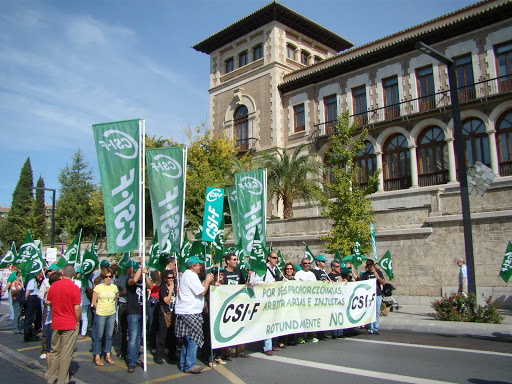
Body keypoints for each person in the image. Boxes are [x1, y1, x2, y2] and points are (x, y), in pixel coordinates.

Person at [174, 256, 214, 374]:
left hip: (186, 310)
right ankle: (189, 365)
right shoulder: (191, 276)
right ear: (193, 266)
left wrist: (205, 282)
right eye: (199, 265)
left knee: (187, 339)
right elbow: (202, 291)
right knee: (194, 339)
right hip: (190, 311)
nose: (201, 267)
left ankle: (184, 364)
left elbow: (198, 288)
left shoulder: (188, 275)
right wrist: (207, 280)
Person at [46, 265, 81, 384]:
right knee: (66, 354)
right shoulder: (75, 288)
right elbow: (77, 308)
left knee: (55, 351)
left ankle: (51, 378)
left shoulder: (54, 285)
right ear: (72, 274)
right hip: (69, 323)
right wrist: (77, 320)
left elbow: (48, 301)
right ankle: (62, 380)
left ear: (62, 273)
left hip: (56, 322)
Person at [251, 251, 282, 356]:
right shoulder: (263, 269)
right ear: (268, 258)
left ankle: (270, 343)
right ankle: (267, 346)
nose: (276, 260)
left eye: (277, 258)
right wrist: (268, 284)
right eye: (274, 257)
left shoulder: (276, 269)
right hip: (264, 299)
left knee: (272, 321)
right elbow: (256, 281)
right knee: (267, 322)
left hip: (273, 299)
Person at [221, 253, 250, 360]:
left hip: (238, 305)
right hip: (226, 305)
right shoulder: (222, 273)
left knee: (240, 328)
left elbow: (243, 284)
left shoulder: (238, 272)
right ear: (227, 261)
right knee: (225, 330)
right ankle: (226, 352)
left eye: (237, 259)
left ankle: (240, 351)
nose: (236, 261)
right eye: (234, 259)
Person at [125, 259, 150, 373]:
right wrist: (140, 267)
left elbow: (151, 285)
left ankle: (135, 357)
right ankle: (131, 361)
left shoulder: (143, 281)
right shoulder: (129, 280)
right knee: (133, 338)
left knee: (139, 337)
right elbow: (134, 280)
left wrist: (146, 275)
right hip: (133, 312)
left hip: (142, 312)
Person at [91, 266, 118, 366]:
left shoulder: (114, 287)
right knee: (99, 336)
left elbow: (115, 299)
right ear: (103, 277)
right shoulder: (98, 287)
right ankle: (97, 355)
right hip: (101, 313)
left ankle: (108, 355)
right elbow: (94, 302)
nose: (108, 278)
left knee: (109, 335)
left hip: (111, 313)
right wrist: (99, 308)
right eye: (106, 277)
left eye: (110, 276)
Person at [155, 269, 177, 364]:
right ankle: (159, 355)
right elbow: (167, 301)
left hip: (173, 313)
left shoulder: (174, 287)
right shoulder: (163, 289)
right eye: (169, 278)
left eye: (172, 278)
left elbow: (175, 300)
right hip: (164, 314)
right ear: (165, 279)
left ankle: (172, 354)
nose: (171, 280)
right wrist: (170, 290)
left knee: (172, 335)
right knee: (162, 335)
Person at [39, 264, 61, 359]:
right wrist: (46, 292)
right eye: (48, 271)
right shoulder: (45, 282)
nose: (49, 273)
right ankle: (45, 349)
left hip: (57, 312)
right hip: (47, 309)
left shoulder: (59, 283)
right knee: (46, 330)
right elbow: (40, 295)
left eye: (51, 271)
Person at [358, 259, 385, 335]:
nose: (369, 266)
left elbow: (383, 283)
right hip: (368, 296)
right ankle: (370, 328)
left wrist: (377, 277)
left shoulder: (378, 273)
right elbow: (361, 283)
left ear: (373, 265)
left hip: (377, 294)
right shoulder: (365, 274)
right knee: (369, 311)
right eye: (367, 265)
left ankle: (376, 328)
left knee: (376, 311)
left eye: (370, 265)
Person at [44, 271, 62, 376]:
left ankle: (62, 369)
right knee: (50, 349)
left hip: (60, 321)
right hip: (51, 322)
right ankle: (50, 370)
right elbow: (48, 302)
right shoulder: (51, 290)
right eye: (60, 280)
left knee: (61, 348)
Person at [278, 262, 297, 347]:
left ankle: (291, 339)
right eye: (287, 269)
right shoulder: (282, 279)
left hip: (292, 304)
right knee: (283, 322)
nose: (289, 270)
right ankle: (281, 340)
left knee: (291, 321)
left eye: (291, 269)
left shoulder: (294, 280)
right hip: (284, 304)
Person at [24, 271, 43, 342]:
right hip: (32, 298)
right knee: (29, 317)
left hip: (35, 298)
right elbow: (28, 291)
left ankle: (31, 333)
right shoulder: (31, 280)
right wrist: (26, 300)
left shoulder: (35, 280)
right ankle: (28, 335)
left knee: (34, 316)